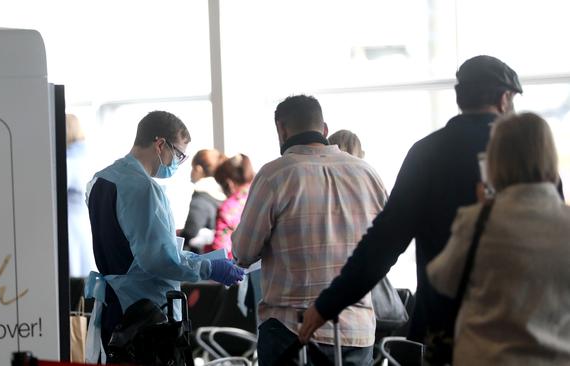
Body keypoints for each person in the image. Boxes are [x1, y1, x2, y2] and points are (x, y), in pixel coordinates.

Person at [298, 55, 531, 351]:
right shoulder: (528, 158)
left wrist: (328, 304)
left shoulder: (428, 153)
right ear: (504, 99)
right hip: (516, 326)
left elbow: (385, 241)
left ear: (460, 98)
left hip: (445, 327)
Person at [232, 95, 388, 365]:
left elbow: (243, 252)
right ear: (324, 129)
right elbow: (387, 245)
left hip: (291, 331)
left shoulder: (275, 175)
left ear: (281, 129)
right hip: (356, 329)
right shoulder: (367, 174)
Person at [85, 111, 244, 356]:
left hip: (115, 307)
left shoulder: (101, 180)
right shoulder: (143, 188)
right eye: (178, 155)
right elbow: (158, 260)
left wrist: (194, 260)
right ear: (160, 144)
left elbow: (142, 249)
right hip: (143, 313)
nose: (178, 164)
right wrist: (207, 268)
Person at [426, 112, 570, 365]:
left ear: (495, 159)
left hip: (487, 357)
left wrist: (483, 209)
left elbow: (443, 280)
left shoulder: (477, 221)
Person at [205, 153, 254, 259]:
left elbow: (220, 249)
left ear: (229, 183)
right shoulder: (262, 194)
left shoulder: (229, 208)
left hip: (239, 269)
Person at [66, 114, 97, 278]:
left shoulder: (69, 161)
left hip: (70, 224)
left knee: (73, 273)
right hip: (85, 222)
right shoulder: (88, 156)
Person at [179, 149, 227, 251]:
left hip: (203, 258)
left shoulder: (201, 197)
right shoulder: (223, 194)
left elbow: (190, 232)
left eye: (192, 168)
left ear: (198, 169)